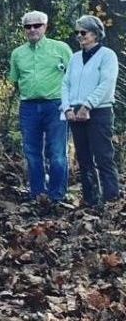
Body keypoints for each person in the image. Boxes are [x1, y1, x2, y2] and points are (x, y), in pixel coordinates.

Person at [9, 11, 73, 202]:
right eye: (28, 26)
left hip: (56, 105)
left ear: (45, 26)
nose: (32, 29)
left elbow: (73, 76)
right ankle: (37, 193)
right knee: (31, 152)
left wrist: (71, 104)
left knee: (57, 152)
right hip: (28, 106)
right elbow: (15, 80)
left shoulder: (61, 48)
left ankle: (57, 195)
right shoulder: (18, 53)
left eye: (37, 25)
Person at [61, 15, 120, 206]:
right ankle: (90, 199)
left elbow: (106, 83)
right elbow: (66, 83)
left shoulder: (107, 55)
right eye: (77, 32)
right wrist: (67, 108)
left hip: (99, 111)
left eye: (83, 32)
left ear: (95, 33)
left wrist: (88, 105)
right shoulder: (75, 58)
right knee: (84, 158)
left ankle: (111, 200)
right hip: (75, 113)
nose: (79, 35)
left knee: (103, 157)